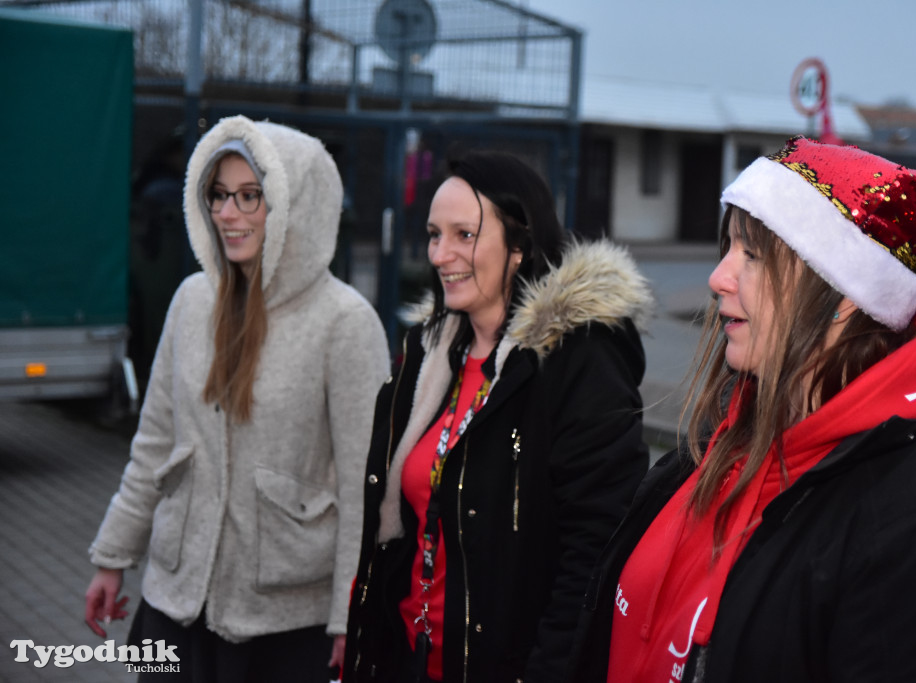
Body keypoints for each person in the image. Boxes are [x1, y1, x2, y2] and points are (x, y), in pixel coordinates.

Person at [567, 136, 916, 682]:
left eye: (753, 255)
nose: (718, 277)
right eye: (728, 248)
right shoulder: (732, 429)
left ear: (845, 292)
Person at [84, 115, 390, 681]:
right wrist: (112, 557)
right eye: (220, 195)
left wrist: (354, 615)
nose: (228, 213)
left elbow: (365, 490)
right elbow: (153, 444)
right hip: (176, 603)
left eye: (251, 196)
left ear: (295, 202)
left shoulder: (345, 323)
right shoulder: (191, 301)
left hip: (288, 627)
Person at [342, 151, 653, 682]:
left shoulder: (577, 361)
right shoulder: (428, 356)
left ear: (518, 245)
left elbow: (596, 549)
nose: (441, 254)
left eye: (464, 234)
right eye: (434, 234)